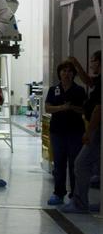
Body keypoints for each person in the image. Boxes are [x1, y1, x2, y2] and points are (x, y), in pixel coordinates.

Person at [62, 50, 100, 214]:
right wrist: (76, 63)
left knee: (80, 163)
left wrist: (89, 132)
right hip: (95, 128)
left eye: (92, 61)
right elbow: (89, 81)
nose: (90, 64)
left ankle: (80, 203)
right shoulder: (98, 81)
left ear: (99, 62)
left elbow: (99, 109)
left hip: (96, 130)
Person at [44, 60, 87, 206]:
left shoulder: (79, 91)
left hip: (75, 132)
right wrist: (62, 107)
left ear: (74, 74)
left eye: (69, 71)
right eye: (63, 71)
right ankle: (58, 193)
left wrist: (72, 108)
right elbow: (48, 108)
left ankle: (75, 195)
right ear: (59, 73)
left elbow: (85, 110)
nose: (66, 74)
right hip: (57, 132)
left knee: (75, 164)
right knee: (59, 164)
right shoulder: (53, 89)